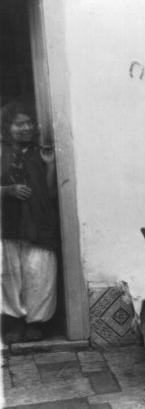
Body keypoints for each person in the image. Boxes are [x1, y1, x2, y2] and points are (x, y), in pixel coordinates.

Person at [1, 102, 59, 344]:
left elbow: (50, 192)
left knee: (39, 273)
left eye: (29, 123)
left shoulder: (39, 152)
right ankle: (14, 322)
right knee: (9, 275)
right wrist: (8, 190)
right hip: (8, 224)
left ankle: (35, 322)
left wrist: (50, 164)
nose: (26, 128)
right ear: (7, 127)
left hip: (38, 222)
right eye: (19, 124)